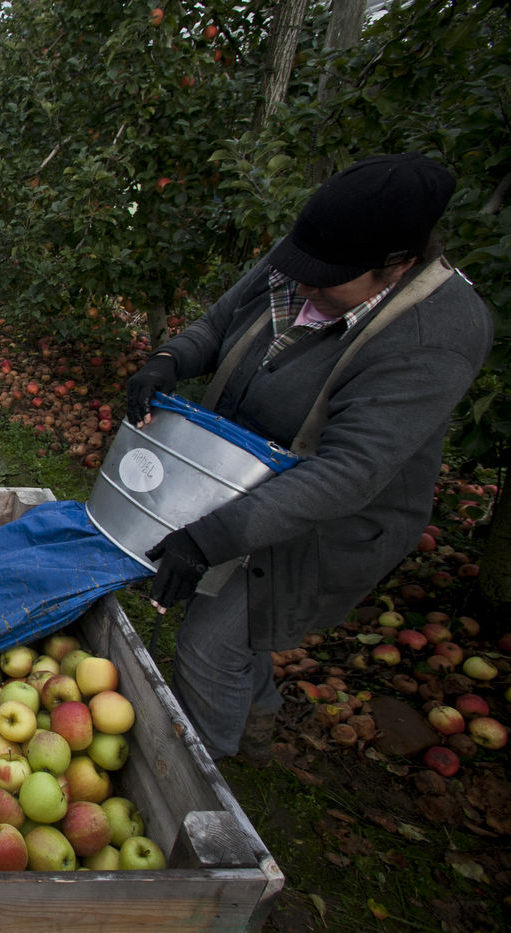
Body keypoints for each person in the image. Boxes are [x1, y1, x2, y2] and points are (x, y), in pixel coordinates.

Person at [125, 153, 492, 764]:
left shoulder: (436, 333)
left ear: (397, 266)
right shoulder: (316, 256)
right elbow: (220, 323)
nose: (302, 286)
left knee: (211, 643)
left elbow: (347, 474)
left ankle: (199, 782)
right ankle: (256, 721)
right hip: (243, 481)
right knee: (230, 617)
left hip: (327, 522)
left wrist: (211, 537)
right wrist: (170, 360)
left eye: (325, 280)